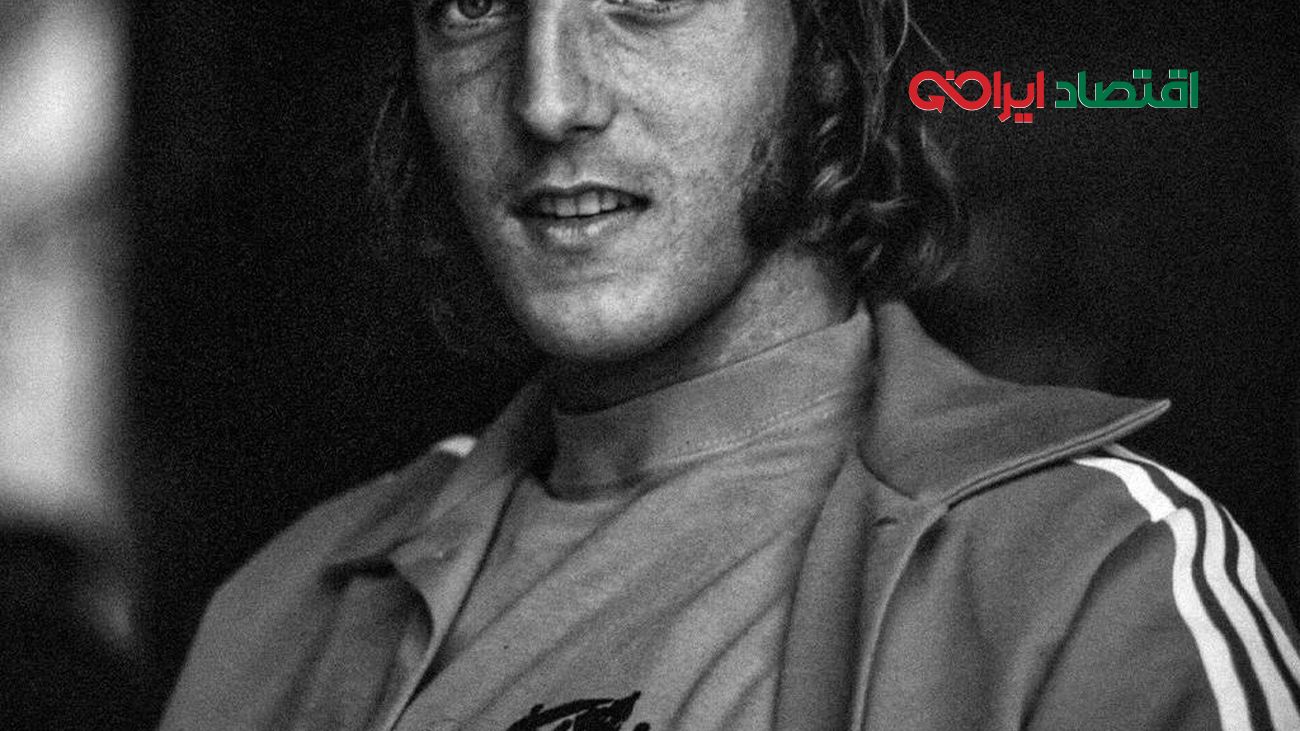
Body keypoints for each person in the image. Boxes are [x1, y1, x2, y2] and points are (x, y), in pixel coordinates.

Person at [161, 0, 1300, 728]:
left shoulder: (1089, 579)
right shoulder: (281, 612)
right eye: (474, 5)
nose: (546, 97)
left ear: (825, 51)